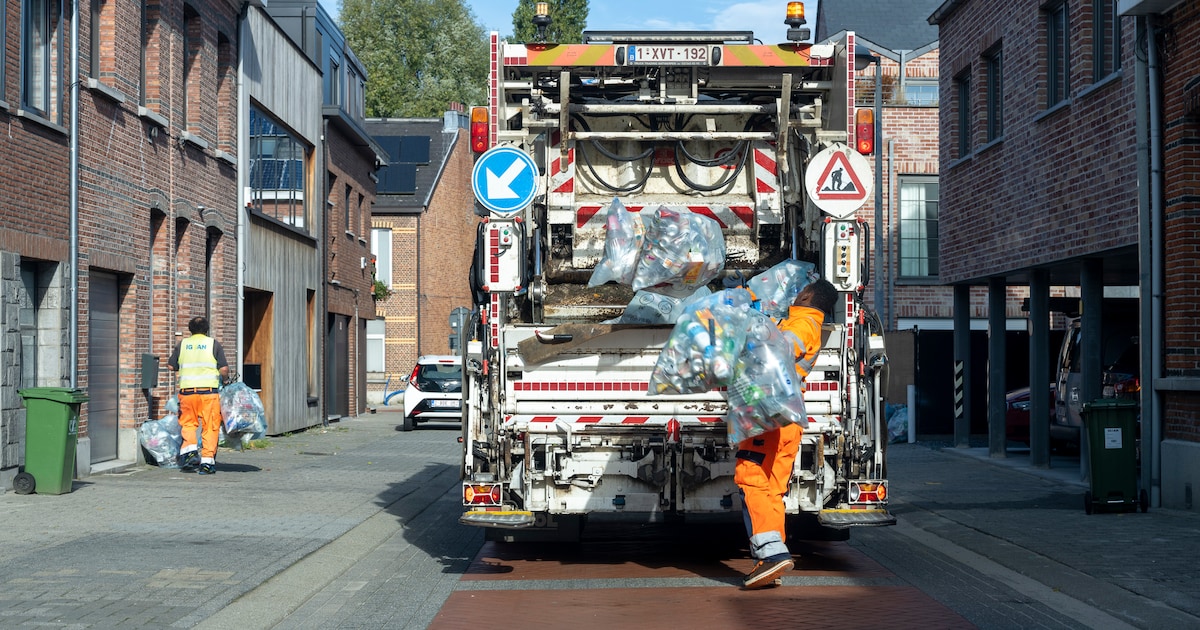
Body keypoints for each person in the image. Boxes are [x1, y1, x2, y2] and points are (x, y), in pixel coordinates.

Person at [735, 278, 838, 589]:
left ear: (808, 295)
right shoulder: (802, 322)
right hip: (787, 417)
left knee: (749, 475)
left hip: (771, 412)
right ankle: (773, 560)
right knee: (771, 489)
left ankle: (770, 555)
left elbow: (780, 349)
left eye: (800, 290)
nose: (796, 292)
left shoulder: (804, 323)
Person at [166, 316, 231, 475]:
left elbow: (170, 366)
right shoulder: (213, 344)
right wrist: (226, 379)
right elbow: (223, 369)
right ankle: (207, 463)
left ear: (190, 329)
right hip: (208, 394)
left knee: (188, 424)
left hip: (187, 393)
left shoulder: (183, 344)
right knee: (210, 426)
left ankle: (189, 454)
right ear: (207, 329)